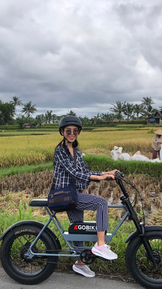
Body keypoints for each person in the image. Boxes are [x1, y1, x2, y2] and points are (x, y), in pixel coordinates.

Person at [53, 116, 119, 278]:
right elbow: (74, 173)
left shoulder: (76, 151)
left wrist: (107, 173)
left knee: (77, 227)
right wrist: (100, 178)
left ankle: (80, 264)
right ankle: (100, 244)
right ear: (62, 132)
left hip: (75, 194)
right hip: (65, 194)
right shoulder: (60, 150)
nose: (72, 134)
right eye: (68, 131)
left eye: (75, 131)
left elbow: (85, 171)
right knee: (102, 203)